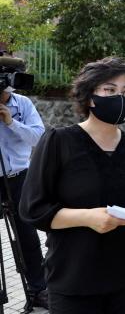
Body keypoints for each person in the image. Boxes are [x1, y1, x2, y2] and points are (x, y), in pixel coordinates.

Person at [19, 57, 125, 314]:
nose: (120, 96)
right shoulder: (58, 142)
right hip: (74, 275)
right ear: (89, 97)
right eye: (110, 90)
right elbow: (33, 209)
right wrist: (87, 217)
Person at [0, 49, 48, 310]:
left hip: (19, 178)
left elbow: (39, 139)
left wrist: (11, 123)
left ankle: (39, 290)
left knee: (27, 235)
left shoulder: (23, 104)